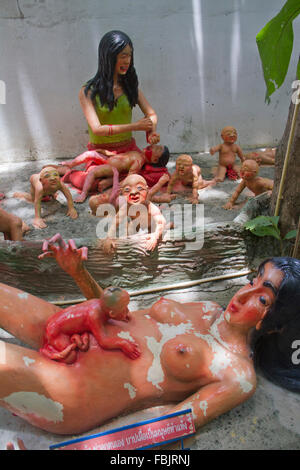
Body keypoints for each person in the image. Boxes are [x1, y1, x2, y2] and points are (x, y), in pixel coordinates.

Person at [0, 234, 298, 435]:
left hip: (74, 389)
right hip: (72, 328)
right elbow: (112, 311)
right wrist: (79, 272)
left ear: (274, 321)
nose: (245, 294)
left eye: (263, 299)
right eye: (254, 280)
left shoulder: (239, 375)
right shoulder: (207, 308)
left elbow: (172, 426)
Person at [77, 30, 159, 158]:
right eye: (123, 56)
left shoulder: (130, 88)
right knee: (103, 176)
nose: (127, 61)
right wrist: (135, 126)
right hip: (102, 153)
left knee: (153, 174)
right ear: (109, 57)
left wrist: (152, 131)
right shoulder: (88, 92)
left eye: (129, 56)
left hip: (129, 151)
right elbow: (97, 129)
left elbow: (151, 114)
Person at [61, 144, 170, 203]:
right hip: (109, 159)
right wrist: (107, 153)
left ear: (155, 160)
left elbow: (128, 178)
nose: (155, 146)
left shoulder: (139, 162)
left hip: (111, 167)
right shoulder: (137, 153)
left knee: (93, 172)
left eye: (158, 149)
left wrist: (112, 188)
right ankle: (70, 164)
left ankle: (83, 194)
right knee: (90, 153)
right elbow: (121, 155)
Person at [102, 174, 167, 254]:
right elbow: (116, 221)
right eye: (127, 190)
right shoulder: (126, 208)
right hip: (136, 224)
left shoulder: (150, 207)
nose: (133, 192)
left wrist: (155, 236)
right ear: (122, 193)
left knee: (158, 232)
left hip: (151, 224)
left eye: (139, 188)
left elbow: (161, 222)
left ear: (146, 190)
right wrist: (109, 237)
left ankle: (164, 229)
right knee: (129, 228)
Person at [13, 166, 78, 229]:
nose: (53, 178)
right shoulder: (39, 188)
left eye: (55, 175)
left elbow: (68, 196)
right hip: (34, 178)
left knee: (51, 192)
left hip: (47, 186)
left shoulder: (60, 184)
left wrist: (71, 208)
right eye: (47, 176)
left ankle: (50, 193)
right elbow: (37, 202)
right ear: (41, 180)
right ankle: (18, 194)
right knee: (33, 199)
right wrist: (37, 218)